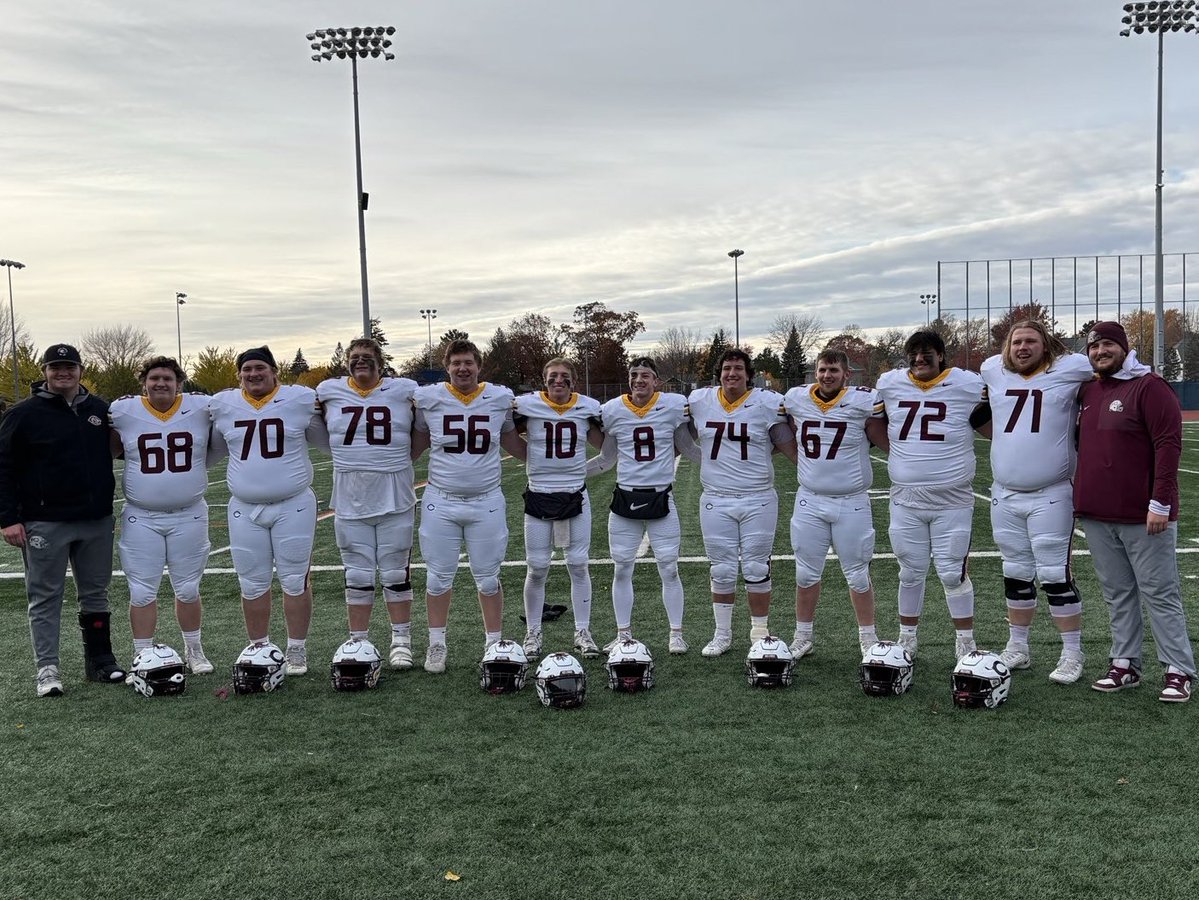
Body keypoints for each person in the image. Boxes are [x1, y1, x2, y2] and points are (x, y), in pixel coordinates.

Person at [1075, 321, 1195, 702]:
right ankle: (1124, 662)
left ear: (1124, 348)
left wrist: (1160, 503)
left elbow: (1168, 445)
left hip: (1144, 514)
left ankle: (1178, 668)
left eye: (1107, 345)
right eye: (1094, 347)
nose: (1100, 352)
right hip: (1097, 512)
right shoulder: (1090, 390)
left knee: (1160, 591)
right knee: (1116, 592)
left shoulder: (1149, 386)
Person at [0, 343, 125, 696]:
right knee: (44, 597)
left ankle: (101, 661)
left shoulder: (99, 410)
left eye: (69, 366)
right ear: (45, 371)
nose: (63, 372)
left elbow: (119, 450)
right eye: (55, 367)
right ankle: (48, 669)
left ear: (81, 370)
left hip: (95, 519)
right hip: (45, 521)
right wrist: (8, 518)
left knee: (96, 594)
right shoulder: (23, 413)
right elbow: (4, 467)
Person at [978, 321, 1094, 684]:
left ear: (1046, 345)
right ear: (1006, 347)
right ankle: (1018, 647)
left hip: (1051, 491)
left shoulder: (1071, 368)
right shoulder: (992, 370)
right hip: (1004, 491)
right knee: (1014, 571)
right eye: (1016, 342)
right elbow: (981, 418)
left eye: (1031, 341)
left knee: (1054, 575)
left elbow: (1110, 372)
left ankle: (1072, 652)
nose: (1023, 347)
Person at [209, 346, 328, 676]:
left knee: (294, 579)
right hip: (244, 507)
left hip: (293, 504)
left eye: (260, 367)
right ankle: (259, 647)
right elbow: (213, 451)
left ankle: (297, 649)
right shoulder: (224, 404)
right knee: (251, 580)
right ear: (239, 375)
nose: (253, 374)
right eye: (246, 369)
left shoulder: (298, 399)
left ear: (275, 371)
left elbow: (328, 442)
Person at [411, 339, 526, 673]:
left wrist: (549, 460)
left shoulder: (500, 397)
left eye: (469, 363)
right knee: (437, 578)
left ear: (479, 366)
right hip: (441, 500)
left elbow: (511, 442)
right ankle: (436, 644)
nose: (463, 369)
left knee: (488, 578)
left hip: (486, 500)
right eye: (456, 363)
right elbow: (415, 446)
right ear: (447, 367)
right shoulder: (429, 398)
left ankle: (493, 643)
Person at [874, 329, 985, 662]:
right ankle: (907, 637)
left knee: (952, 572)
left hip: (952, 499)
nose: (920, 359)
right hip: (906, 498)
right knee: (910, 570)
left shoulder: (967, 383)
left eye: (927, 353)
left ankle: (965, 639)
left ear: (941, 356)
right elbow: (873, 421)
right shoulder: (890, 383)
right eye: (914, 354)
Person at [109, 356, 215, 674]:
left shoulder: (200, 407)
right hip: (142, 515)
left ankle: (194, 650)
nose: (160, 383)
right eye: (154, 378)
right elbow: (112, 447)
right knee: (141, 590)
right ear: (144, 382)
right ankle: (142, 655)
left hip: (189, 514)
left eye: (167, 378)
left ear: (179, 383)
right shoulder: (123, 410)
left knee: (188, 588)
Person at [317, 338, 419, 668]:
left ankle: (401, 639)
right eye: (355, 357)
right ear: (346, 362)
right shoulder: (328, 391)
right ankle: (358, 640)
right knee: (358, 572)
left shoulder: (404, 390)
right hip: (350, 495)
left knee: (394, 571)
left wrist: (402, 457)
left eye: (367, 357)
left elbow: (424, 424)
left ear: (380, 362)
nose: (361, 361)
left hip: (395, 493)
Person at [782, 348, 888, 661]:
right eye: (823, 370)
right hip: (809, 499)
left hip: (851, 501)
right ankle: (803, 636)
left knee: (857, 573)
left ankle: (868, 637)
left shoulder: (863, 400)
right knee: (805, 573)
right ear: (815, 372)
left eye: (834, 370)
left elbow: (884, 426)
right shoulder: (797, 398)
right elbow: (781, 426)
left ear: (846, 374)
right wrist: (798, 460)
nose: (827, 375)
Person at [685, 349, 792, 656]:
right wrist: (699, 458)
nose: (732, 373)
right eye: (727, 368)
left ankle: (759, 630)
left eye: (738, 369)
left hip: (758, 496)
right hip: (717, 497)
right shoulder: (700, 401)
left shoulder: (768, 402)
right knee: (721, 569)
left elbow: (787, 433)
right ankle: (722, 634)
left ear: (749, 374)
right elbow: (680, 434)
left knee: (757, 566)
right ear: (719, 374)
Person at [588, 357, 692, 653]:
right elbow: (607, 459)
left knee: (669, 569)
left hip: (661, 497)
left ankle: (676, 633)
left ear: (656, 381)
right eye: (634, 374)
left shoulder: (672, 405)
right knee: (621, 569)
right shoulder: (613, 409)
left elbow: (687, 447)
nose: (638, 380)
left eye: (645, 375)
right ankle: (623, 634)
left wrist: (720, 467)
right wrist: (567, 473)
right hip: (625, 499)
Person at [513, 358, 605, 659]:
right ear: (544, 380)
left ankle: (583, 631)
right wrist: (532, 461)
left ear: (573, 381)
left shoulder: (586, 408)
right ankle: (533, 633)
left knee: (578, 564)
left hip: (575, 496)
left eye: (565, 376)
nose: (559, 381)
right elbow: (505, 434)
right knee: (537, 567)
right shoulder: (528, 407)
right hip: (539, 495)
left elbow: (607, 447)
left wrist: (580, 472)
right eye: (553, 376)